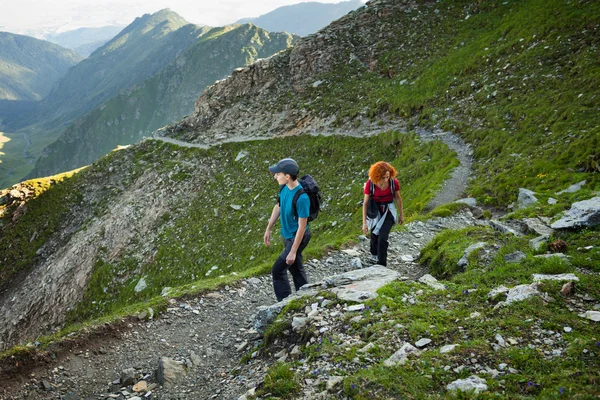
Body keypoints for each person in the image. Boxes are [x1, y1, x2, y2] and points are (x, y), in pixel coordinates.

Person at [264, 158, 312, 301]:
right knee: (295, 269)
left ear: (287, 176)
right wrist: (268, 228)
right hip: (287, 235)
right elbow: (278, 206)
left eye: (277, 174)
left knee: (278, 270)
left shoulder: (302, 198)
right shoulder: (284, 188)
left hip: (298, 236)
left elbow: (302, 227)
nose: (275, 176)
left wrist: (292, 251)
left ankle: (284, 303)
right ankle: (305, 298)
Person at [362, 161, 404, 266]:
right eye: (383, 177)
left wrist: (401, 215)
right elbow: (365, 203)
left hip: (389, 210)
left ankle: (382, 263)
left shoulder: (393, 183)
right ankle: (373, 254)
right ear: (377, 176)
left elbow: (398, 199)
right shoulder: (370, 184)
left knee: (383, 236)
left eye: (388, 177)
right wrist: (364, 223)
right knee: (374, 234)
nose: (386, 180)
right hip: (375, 211)